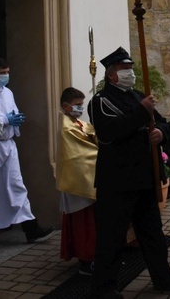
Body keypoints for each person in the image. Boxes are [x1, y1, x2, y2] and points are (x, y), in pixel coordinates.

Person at [89, 47, 170, 298]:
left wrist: (160, 133)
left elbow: (162, 123)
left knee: (153, 234)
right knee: (111, 237)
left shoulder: (138, 96)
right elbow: (110, 131)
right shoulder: (100, 101)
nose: (130, 73)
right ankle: (104, 287)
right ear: (112, 75)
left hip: (144, 178)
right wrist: (142, 112)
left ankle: (163, 278)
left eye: (131, 68)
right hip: (117, 182)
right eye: (125, 69)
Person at [0, 57, 52, 249]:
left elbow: (12, 112)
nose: (5, 76)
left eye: (7, 72)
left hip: (8, 146)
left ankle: (31, 228)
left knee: (16, 186)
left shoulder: (7, 92)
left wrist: (15, 119)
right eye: (2, 73)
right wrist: (4, 120)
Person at [56, 87, 98, 275]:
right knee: (82, 224)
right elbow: (79, 154)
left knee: (89, 222)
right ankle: (85, 260)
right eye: (77, 105)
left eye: (82, 104)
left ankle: (90, 256)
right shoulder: (66, 126)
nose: (81, 108)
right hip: (78, 182)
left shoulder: (77, 122)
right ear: (66, 106)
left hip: (83, 178)